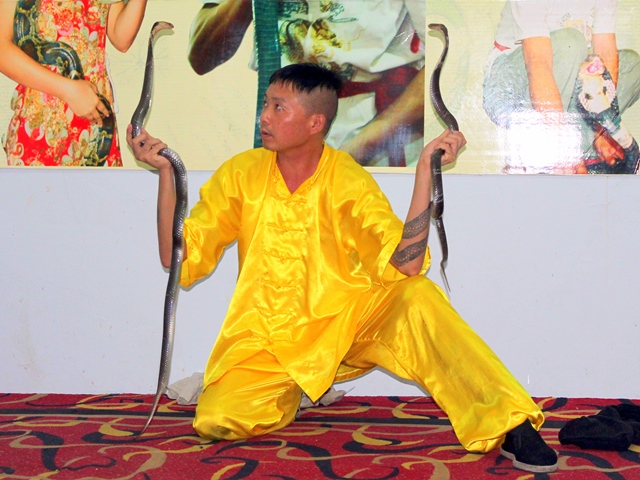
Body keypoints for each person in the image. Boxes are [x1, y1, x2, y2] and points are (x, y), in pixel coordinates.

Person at [127, 63, 558, 474]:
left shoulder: (346, 179)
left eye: (279, 107)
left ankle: (511, 421)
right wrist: (166, 174)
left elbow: (406, 265)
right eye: (266, 105)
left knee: (418, 297)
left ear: (315, 123)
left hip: (343, 327)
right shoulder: (240, 174)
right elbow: (178, 258)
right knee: (216, 421)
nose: (265, 117)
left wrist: (424, 173)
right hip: (264, 340)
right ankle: (296, 388)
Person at [187, 0, 426, 167]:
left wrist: (362, 146)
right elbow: (201, 57)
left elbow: (443, 61)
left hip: (377, 140)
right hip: (286, 140)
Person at [483, 0, 640, 174]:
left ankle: (585, 153)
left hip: (566, 78)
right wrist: (563, 147)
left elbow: (605, 52)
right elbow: (538, 62)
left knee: (632, 66)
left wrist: (602, 130)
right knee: (571, 42)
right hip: (509, 89)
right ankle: (545, 156)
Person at [0, 0, 149, 166]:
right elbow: (2, 48)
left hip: (95, 117)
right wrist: (68, 90)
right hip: (43, 120)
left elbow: (121, 38)